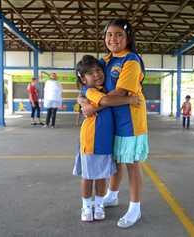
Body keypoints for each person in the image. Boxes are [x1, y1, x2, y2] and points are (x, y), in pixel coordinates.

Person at [80, 19, 149, 228]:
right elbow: (88, 83)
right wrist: (82, 100)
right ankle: (113, 194)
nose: (113, 39)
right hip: (112, 121)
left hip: (130, 121)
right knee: (116, 161)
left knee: (132, 164)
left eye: (119, 34)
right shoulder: (106, 60)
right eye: (109, 34)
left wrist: (93, 106)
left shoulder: (131, 61)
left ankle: (135, 208)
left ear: (128, 37)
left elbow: (119, 94)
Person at [73, 55, 140, 222]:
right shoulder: (90, 91)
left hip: (105, 141)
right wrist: (129, 99)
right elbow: (106, 101)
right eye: (90, 73)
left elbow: (102, 99)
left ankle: (99, 203)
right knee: (88, 176)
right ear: (82, 78)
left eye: (98, 70)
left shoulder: (103, 88)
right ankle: (86, 205)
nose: (96, 74)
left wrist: (84, 103)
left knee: (102, 175)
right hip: (90, 139)